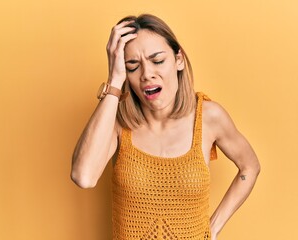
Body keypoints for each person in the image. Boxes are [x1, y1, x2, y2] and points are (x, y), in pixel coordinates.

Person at [71, 14, 260, 240]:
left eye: (158, 60)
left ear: (178, 59)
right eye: (133, 66)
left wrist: (214, 227)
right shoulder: (117, 121)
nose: (147, 74)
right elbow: (84, 177)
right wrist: (114, 82)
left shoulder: (209, 117)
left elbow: (250, 166)